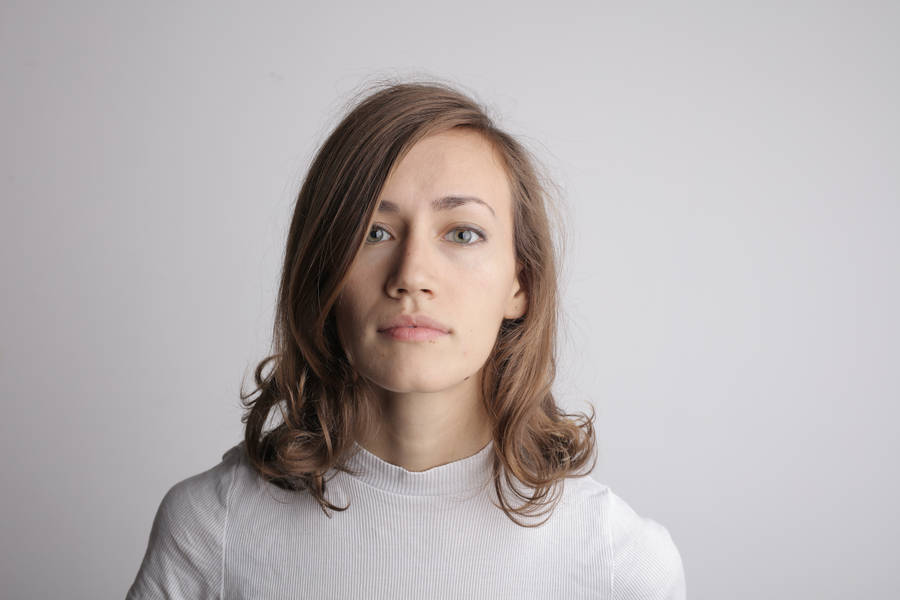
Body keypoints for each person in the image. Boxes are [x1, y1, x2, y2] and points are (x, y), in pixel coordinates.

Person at [126, 80, 686, 599]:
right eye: (375, 232)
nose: (412, 274)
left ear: (522, 283)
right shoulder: (210, 530)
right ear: (324, 272)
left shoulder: (620, 562)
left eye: (463, 233)